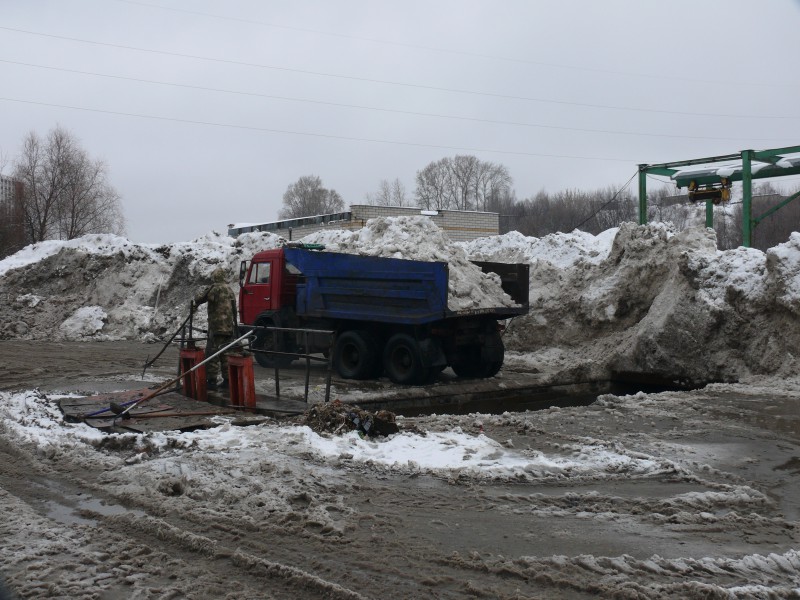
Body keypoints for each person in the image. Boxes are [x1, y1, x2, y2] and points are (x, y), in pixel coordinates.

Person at [193, 267, 237, 389]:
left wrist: (197, 294)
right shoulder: (230, 290)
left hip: (216, 328)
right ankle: (227, 381)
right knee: (225, 353)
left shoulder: (214, 289)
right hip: (228, 328)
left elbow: (200, 299)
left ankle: (211, 381)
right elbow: (234, 309)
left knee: (212, 353)